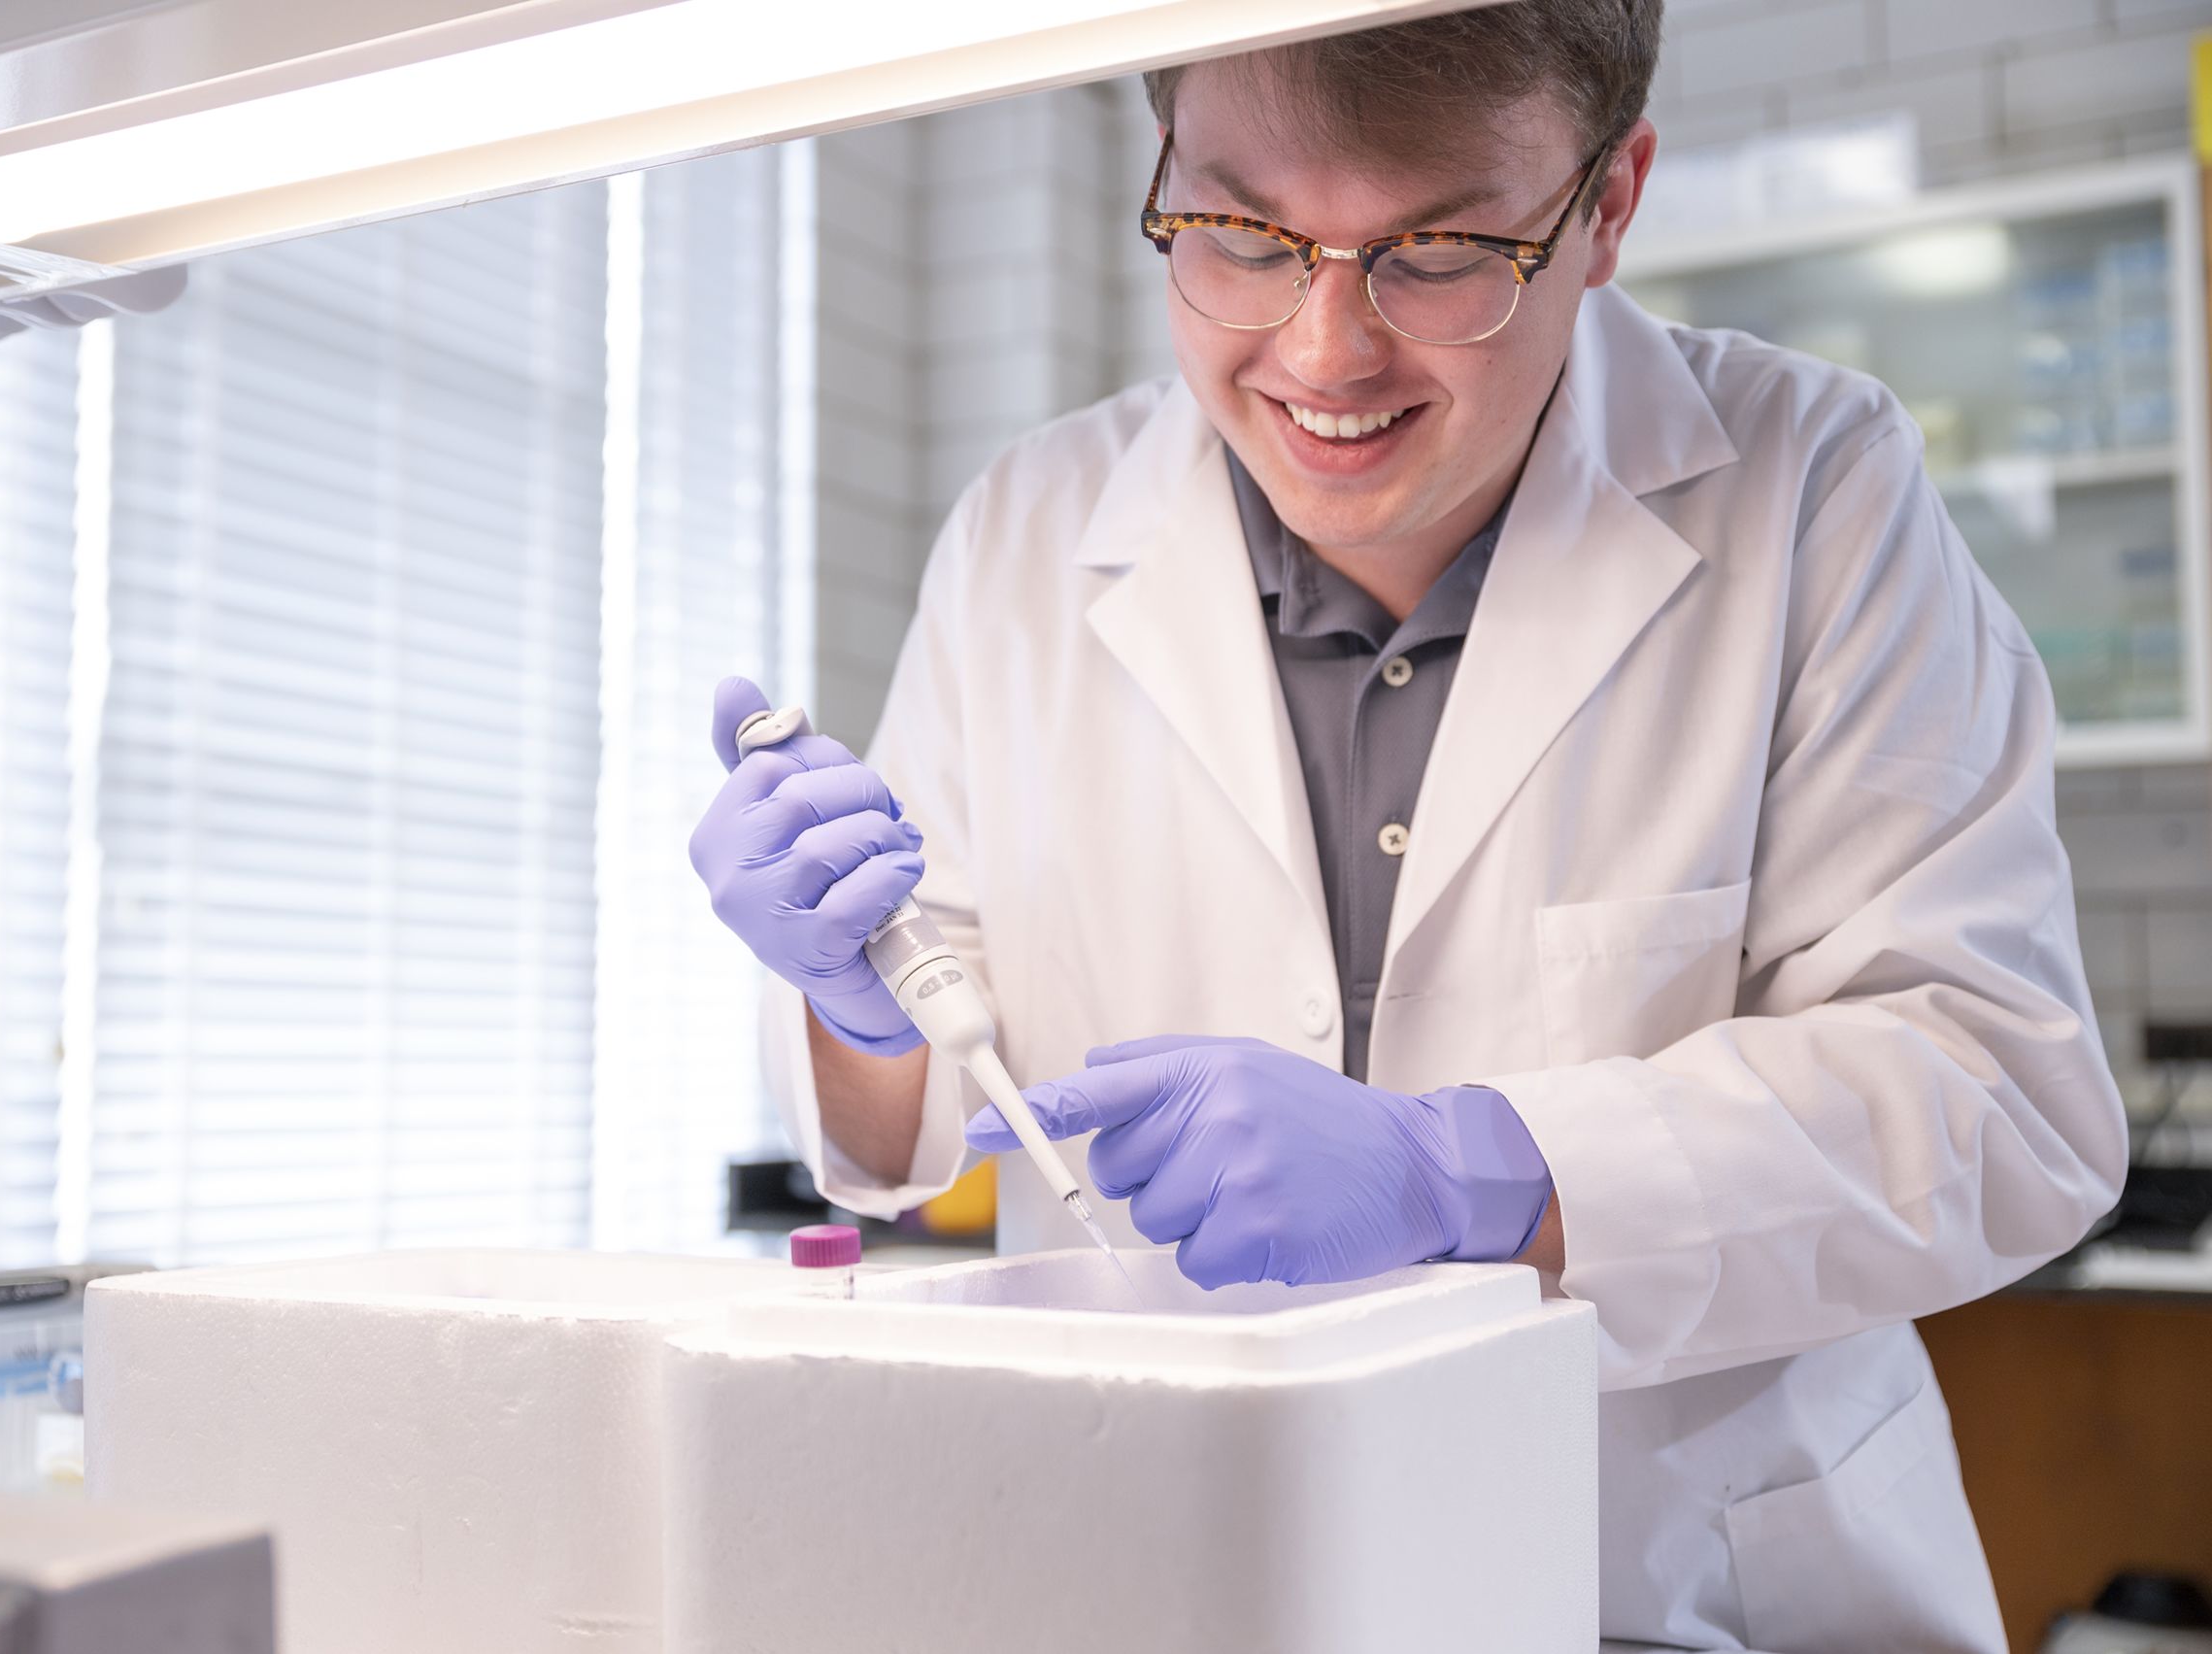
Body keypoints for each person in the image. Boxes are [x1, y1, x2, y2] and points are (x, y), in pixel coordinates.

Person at [687, 4, 2126, 1648]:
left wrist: (1469, 1176)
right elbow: (931, 1090)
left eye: (1439, 253)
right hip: (1163, 1572)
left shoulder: (1816, 489)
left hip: (1678, 1588)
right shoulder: (1027, 530)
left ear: (1610, 202)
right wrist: (854, 998)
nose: (1323, 353)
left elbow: (2002, 1091)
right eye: (1240, 235)